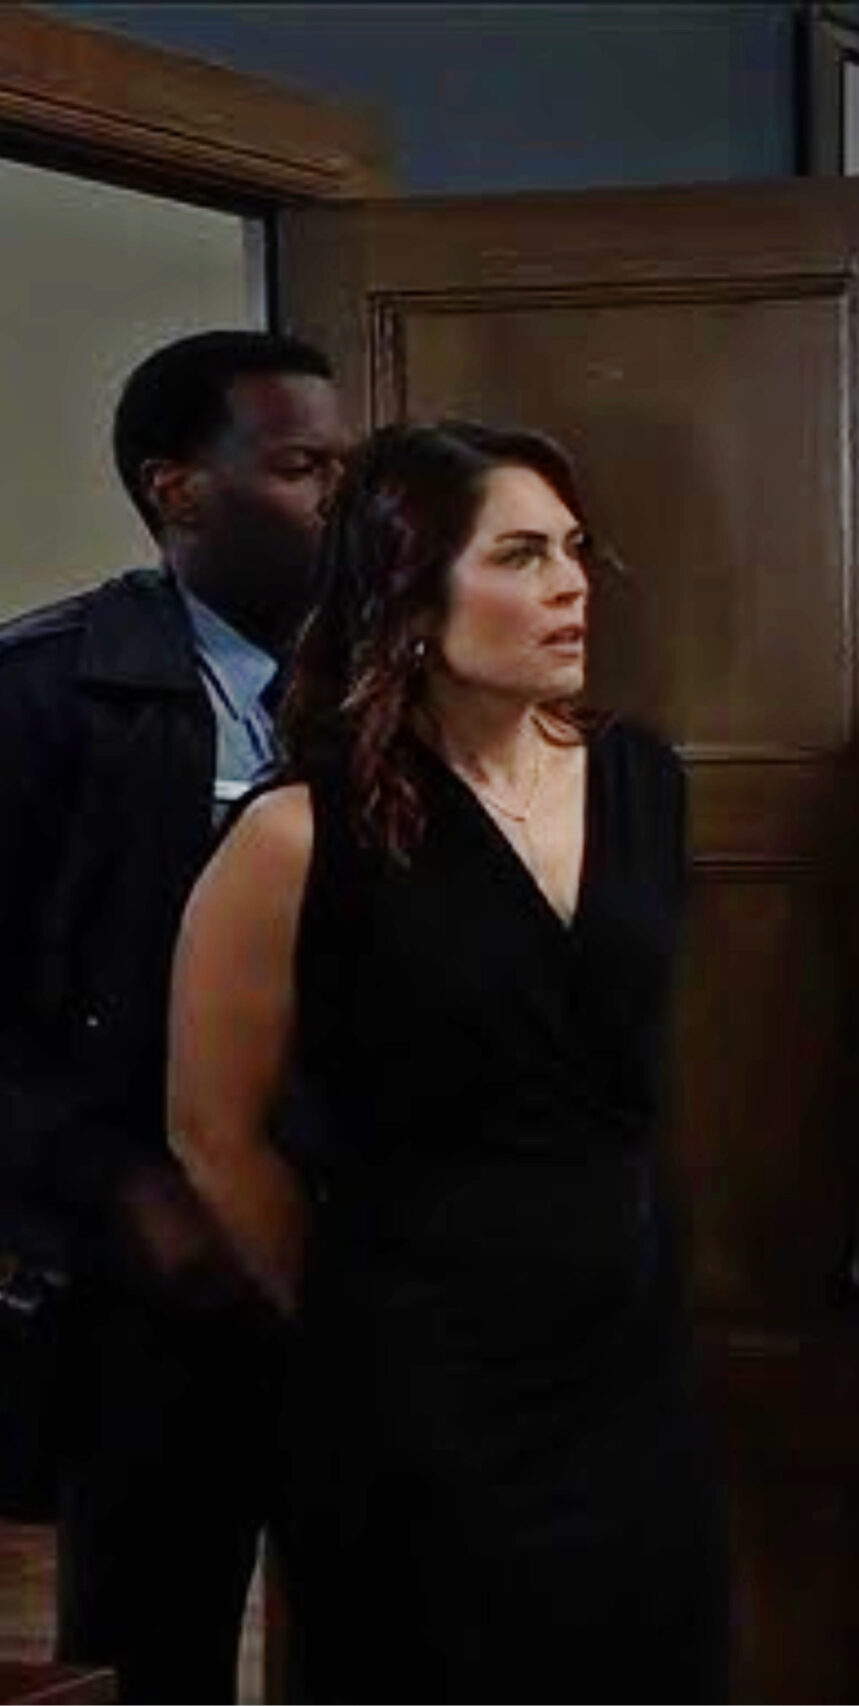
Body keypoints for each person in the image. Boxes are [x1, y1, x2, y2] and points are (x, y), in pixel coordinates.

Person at [165, 420, 731, 1701]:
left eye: (574, 549)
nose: (571, 584)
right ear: (411, 596)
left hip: (629, 1378)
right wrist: (364, 1316)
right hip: (415, 1395)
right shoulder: (297, 834)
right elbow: (212, 1132)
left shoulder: (641, 780)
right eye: (521, 555)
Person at [0, 329, 346, 1700]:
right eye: (303, 467)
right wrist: (111, 1188)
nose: (340, 498)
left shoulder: (389, 684)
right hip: (154, 1277)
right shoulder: (43, 694)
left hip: (357, 1249)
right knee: (156, 1635)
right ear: (179, 489)